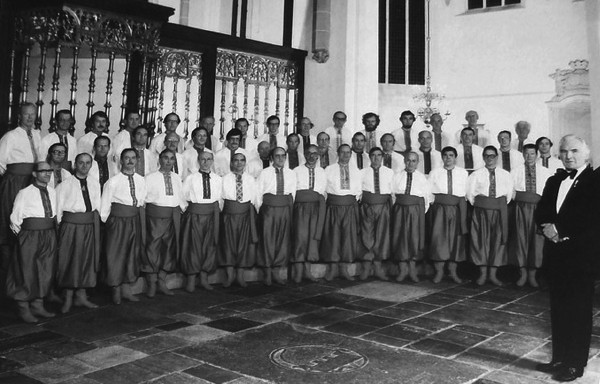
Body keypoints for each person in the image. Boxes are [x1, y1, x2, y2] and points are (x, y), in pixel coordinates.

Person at [535, 135, 600, 381]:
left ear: (586, 153)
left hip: (580, 258)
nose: (569, 155)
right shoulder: (555, 179)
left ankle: (575, 364)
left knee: (579, 312)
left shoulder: (595, 181)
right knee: (558, 309)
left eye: (574, 150)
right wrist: (546, 226)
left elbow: (593, 219)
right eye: (564, 151)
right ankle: (559, 358)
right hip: (556, 256)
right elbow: (541, 209)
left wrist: (563, 231)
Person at [6, 161, 57, 323]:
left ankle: (38, 304)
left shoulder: (52, 191)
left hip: (49, 234)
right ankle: (23, 307)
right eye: (43, 171)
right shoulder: (24, 192)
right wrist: (24, 238)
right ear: (34, 174)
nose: (47, 174)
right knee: (26, 270)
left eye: (49, 170)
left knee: (45, 269)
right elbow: (15, 219)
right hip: (30, 236)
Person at [55, 153, 101, 313]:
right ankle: (67, 298)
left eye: (88, 163)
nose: (84, 166)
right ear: (75, 164)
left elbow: (97, 206)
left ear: (91, 165)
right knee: (70, 260)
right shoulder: (65, 184)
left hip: (88, 225)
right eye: (81, 163)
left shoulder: (95, 183)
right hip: (71, 226)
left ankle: (82, 296)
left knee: (86, 260)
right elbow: (58, 209)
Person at [100, 148, 147, 304]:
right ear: (121, 161)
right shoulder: (113, 181)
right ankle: (115, 289)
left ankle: (126, 288)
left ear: (137, 160)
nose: (130, 161)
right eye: (127, 158)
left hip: (134, 219)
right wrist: (110, 223)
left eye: (133, 158)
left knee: (131, 253)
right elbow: (105, 205)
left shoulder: (141, 180)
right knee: (115, 254)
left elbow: (142, 200)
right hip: (118, 221)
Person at [466, 146, 513, 286]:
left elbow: (509, 195)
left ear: (497, 157)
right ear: (483, 157)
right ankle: (483, 274)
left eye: (492, 156)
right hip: (481, 211)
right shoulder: (476, 174)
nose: (490, 159)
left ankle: (493, 274)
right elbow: (470, 195)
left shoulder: (506, 174)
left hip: (499, 211)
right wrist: (483, 205)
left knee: (497, 241)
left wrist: (496, 205)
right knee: (480, 241)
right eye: (487, 156)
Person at [0, 103, 41, 260]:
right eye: (26, 114)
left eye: (33, 114)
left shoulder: (37, 134)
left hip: (33, 182)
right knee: (10, 217)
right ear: (19, 116)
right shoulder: (10, 136)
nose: (30, 117)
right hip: (14, 183)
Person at [143, 149, 186, 297]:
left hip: (172, 216)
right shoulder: (150, 177)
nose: (168, 161)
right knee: (152, 248)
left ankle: (162, 280)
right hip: (154, 216)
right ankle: (151, 282)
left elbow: (180, 197)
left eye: (171, 158)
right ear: (160, 160)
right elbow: (144, 199)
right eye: (165, 158)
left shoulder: (176, 177)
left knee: (169, 248)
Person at [509, 144, 553, 287]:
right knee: (520, 239)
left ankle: (533, 275)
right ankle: (523, 274)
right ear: (523, 155)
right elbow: (511, 192)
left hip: (538, 209)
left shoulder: (545, 172)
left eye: (532, 154)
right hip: (520, 208)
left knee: (537, 240)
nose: (529, 157)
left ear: (537, 155)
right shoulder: (515, 171)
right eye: (526, 154)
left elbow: (548, 193)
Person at [181, 151, 222, 292]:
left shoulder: (218, 179)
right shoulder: (191, 178)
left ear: (212, 161)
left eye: (209, 159)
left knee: (209, 246)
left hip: (211, 216)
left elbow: (220, 199)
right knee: (193, 246)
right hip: (195, 215)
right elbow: (183, 197)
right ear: (198, 161)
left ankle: (204, 278)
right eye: (203, 159)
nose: (206, 162)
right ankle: (191, 280)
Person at [321, 144, 362, 281]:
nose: (346, 155)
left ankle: (344, 268)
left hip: (349, 207)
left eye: (348, 152)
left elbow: (358, 190)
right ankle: (332, 268)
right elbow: (324, 189)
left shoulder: (356, 170)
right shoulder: (329, 169)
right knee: (333, 236)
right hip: (334, 207)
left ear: (351, 154)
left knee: (347, 237)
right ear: (338, 153)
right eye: (343, 152)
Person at [428, 147, 469, 283]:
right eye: (445, 155)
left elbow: (466, 192)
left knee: (456, 240)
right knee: (439, 239)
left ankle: (453, 271)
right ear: (442, 157)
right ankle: (439, 271)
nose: (448, 158)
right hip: (440, 209)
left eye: (451, 155)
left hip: (457, 209)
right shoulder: (435, 172)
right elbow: (429, 192)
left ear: (455, 157)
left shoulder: (463, 173)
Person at [256, 147, 296, 285]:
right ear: (272, 158)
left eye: (283, 156)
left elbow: (293, 193)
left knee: (282, 240)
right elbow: (258, 192)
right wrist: (261, 210)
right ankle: (267, 271)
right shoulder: (265, 173)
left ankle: (276, 271)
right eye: (277, 156)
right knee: (268, 239)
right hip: (269, 209)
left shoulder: (291, 173)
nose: (280, 158)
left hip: (284, 209)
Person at [391, 152, 432, 282]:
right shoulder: (397, 176)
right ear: (404, 161)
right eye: (408, 160)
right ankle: (403, 270)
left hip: (415, 211)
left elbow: (426, 198)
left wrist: (419, 213)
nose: (410, 163)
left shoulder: (422, 178)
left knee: (414, 239)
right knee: (400, 237)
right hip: (400, 210)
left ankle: (413, 269)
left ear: (417, 163)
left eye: (414, 161)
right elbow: (392, 195)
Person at [219, 151, 258, 287]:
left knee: (243, 245)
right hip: (229, 215)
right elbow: (220, 199)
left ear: (245, 163)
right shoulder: (224, 179)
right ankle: (229, 276)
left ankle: (240, 276)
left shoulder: (251, 179)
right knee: (228, 244)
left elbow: (254, 199)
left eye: (242, 160)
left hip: (245, 215)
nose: (239, 163)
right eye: (236, 160)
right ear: (231, 163)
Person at [292, 144, 326, 283]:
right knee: (300, 238)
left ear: (318, 155)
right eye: (309, 153)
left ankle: (308, 271)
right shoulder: (296, 170)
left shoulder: (322, 171)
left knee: (312, 239)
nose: (312, 156)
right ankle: (297, 272)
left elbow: (323, 191)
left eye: (315, 153)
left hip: (316, 208)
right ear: (305, 155)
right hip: (301, 207)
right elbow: (292, 190)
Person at [359, 147, 394, 280]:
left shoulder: (390, 172)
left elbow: (393, 192)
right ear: (369, 157)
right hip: (367, 206)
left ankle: (378, 267)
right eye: (373, 155)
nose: (376, 158)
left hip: (383, 207)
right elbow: (358, 191)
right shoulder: (362, 172)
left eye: (379, 155)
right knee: (367, 235)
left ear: (382, 157)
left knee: (381, 236)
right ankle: (366, 267)